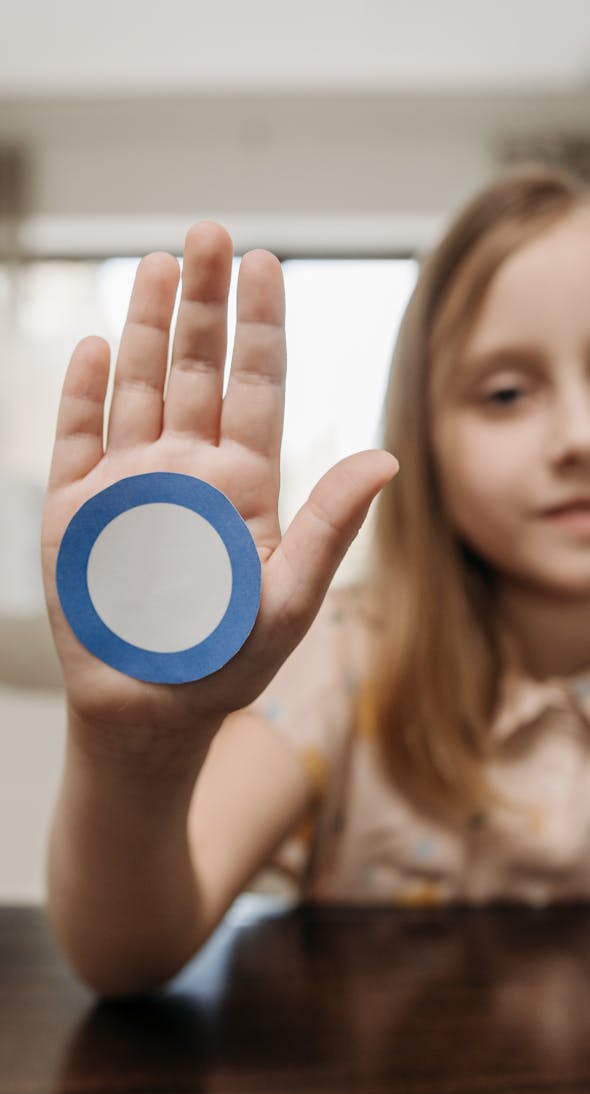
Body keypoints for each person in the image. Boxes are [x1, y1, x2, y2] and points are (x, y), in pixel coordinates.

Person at [41, 165, 590, 995]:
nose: (577, 436)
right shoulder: (342, 665)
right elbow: (126, 957)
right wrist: (136, 752)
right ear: (426, 437)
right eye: (507, 392)